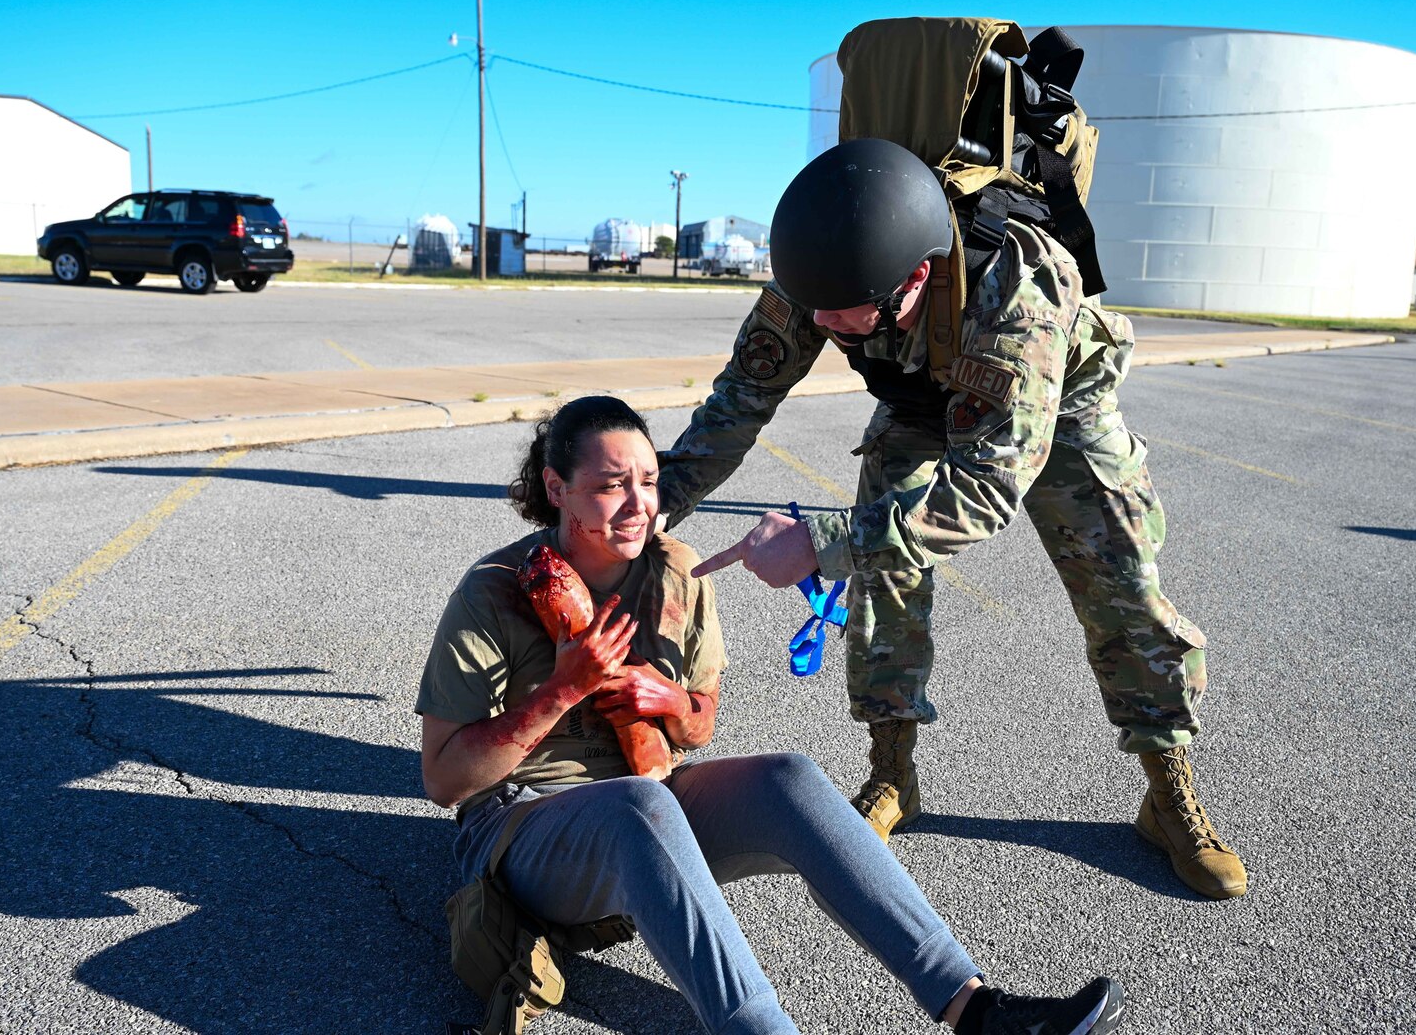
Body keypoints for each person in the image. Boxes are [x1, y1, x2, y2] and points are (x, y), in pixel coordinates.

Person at [417, 395, 1128, 1035]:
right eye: (609, 486)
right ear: (556, 488)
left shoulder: (674, 572)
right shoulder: (496, 588)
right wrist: (560, 691)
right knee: (637, 804)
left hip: (645, 810)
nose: (638, 504)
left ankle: (976, 1008)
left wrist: (670, 703)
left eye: (647, 481)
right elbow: (447, 781)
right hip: (522, 829)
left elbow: (700, 726)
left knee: (788, 777)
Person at [658, 138, 1248, 901]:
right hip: (918, 405)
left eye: (852, 317)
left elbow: (985, 489)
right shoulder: (819, 276)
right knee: (885, 580)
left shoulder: (1019, 290)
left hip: (1055, 408)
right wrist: (643, 504)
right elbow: (738, 403)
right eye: (820, 316)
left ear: (916, 275)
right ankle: (891, 771)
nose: (834, 330)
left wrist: (821, 542)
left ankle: (1166, 794)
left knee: (1124, 593)